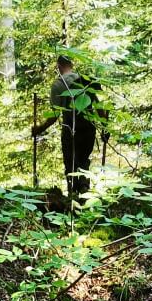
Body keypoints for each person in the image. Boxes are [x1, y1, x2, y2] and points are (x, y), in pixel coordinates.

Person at [32, 56, 108, 202]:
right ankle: (84, 194)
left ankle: (73, 198)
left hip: (70, 128)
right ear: (71, 65)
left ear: (58, 66)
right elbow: (99, 108)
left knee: (71, 163)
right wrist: (105, 128)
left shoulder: (58, 85)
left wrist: (39, 129)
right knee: (84, 161)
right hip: (88, 128)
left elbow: (54, 115)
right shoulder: (85, 81)